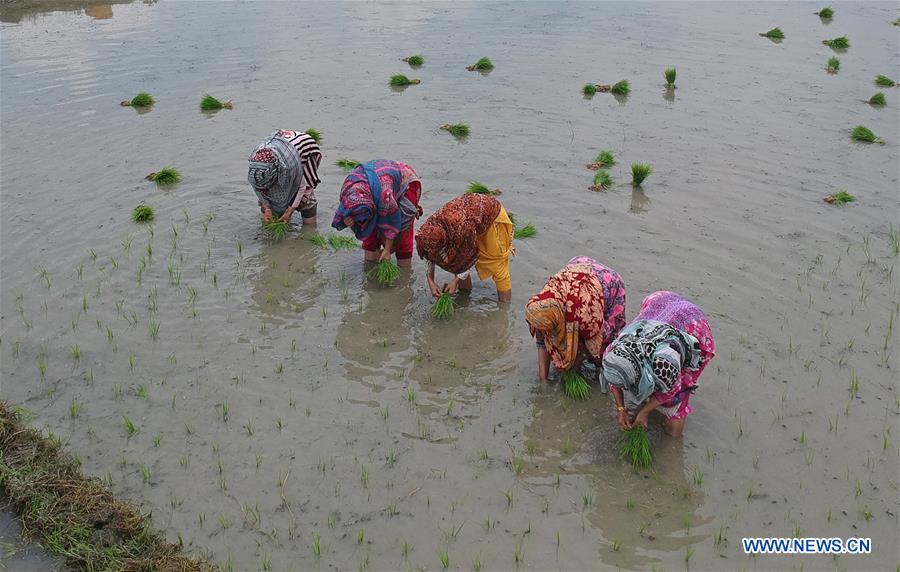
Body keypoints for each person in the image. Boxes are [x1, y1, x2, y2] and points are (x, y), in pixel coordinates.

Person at [602, 291, 715, 437]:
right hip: (660, 302)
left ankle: (672, 433)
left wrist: (644, 412)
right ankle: (649, 397)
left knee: (675, 401)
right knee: (650, 385)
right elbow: (614, 381)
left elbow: (672, 389)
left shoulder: (665, 363)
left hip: (694, 324)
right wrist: (621, 409)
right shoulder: (613, 351)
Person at [525, 257, 627, 382]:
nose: (541, 331)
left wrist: (572, 367)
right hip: (578, 268)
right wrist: (543, 380)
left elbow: (593, 339)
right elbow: (541, 341)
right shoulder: (542, 306)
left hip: (608, 284)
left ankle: (603, 376)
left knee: (603, 341)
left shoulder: (584, 312)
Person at [415, 193, 514, 302]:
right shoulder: (426, 233)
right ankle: (465, 297)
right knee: (456, 258)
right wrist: (431, 280)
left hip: (492, 216)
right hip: (470, 218)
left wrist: (456, 280)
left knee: (497, 266)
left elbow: (473, 256)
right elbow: (429, 254)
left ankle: (504, 309)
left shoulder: (461, 230)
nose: (434, 254)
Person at [332, 160, 422, 266]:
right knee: (370, 237)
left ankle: (403, 273)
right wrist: (348, 221)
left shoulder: (385, 196)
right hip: (375, 179)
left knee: (402, 235)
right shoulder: (348, 192)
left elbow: (392, 221)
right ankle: (371, 268)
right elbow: (347, 214)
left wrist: (388, 250)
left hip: (404, 181)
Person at [247, 130, 322, 225]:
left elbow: (302, 186)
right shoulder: (255, 168)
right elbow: (258, 189)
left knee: (307, 199)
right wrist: (266, 208)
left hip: (303, 148)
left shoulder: (289, 166)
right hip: (279, 146)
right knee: (268, 200)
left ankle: (309, 230)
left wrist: (289, 211)